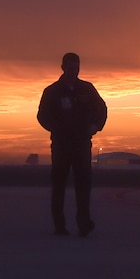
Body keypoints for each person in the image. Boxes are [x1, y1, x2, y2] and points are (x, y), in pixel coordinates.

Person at [37, 53, 107, 237]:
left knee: (83, 185)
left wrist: (95, 126)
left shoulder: (87, 89)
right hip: (61, 145)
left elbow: (102, 109)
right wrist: (57, 128)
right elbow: (42, 116)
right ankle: (59, 226)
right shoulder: (52, 92)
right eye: (70, 68)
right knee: (59, 185)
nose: (73, 71)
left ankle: (84, 223)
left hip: (82, 145)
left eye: (76, 68)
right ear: (63, 67)